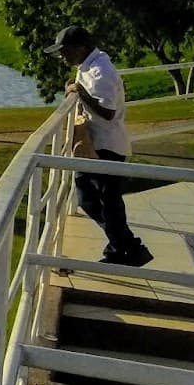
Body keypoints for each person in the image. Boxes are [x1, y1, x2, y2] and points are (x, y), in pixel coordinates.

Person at [47, 25, 153, 267]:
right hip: (97, 144)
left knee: (100, 199)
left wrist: (80, 91)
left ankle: (127, 248)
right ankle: (124, 248)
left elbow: (108, 112)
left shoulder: (100, 71)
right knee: (99, 199)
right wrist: (76, 89)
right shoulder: (89, 66)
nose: (62, 56)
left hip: (108, 146)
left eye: (65, 50)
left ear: (80, 48)